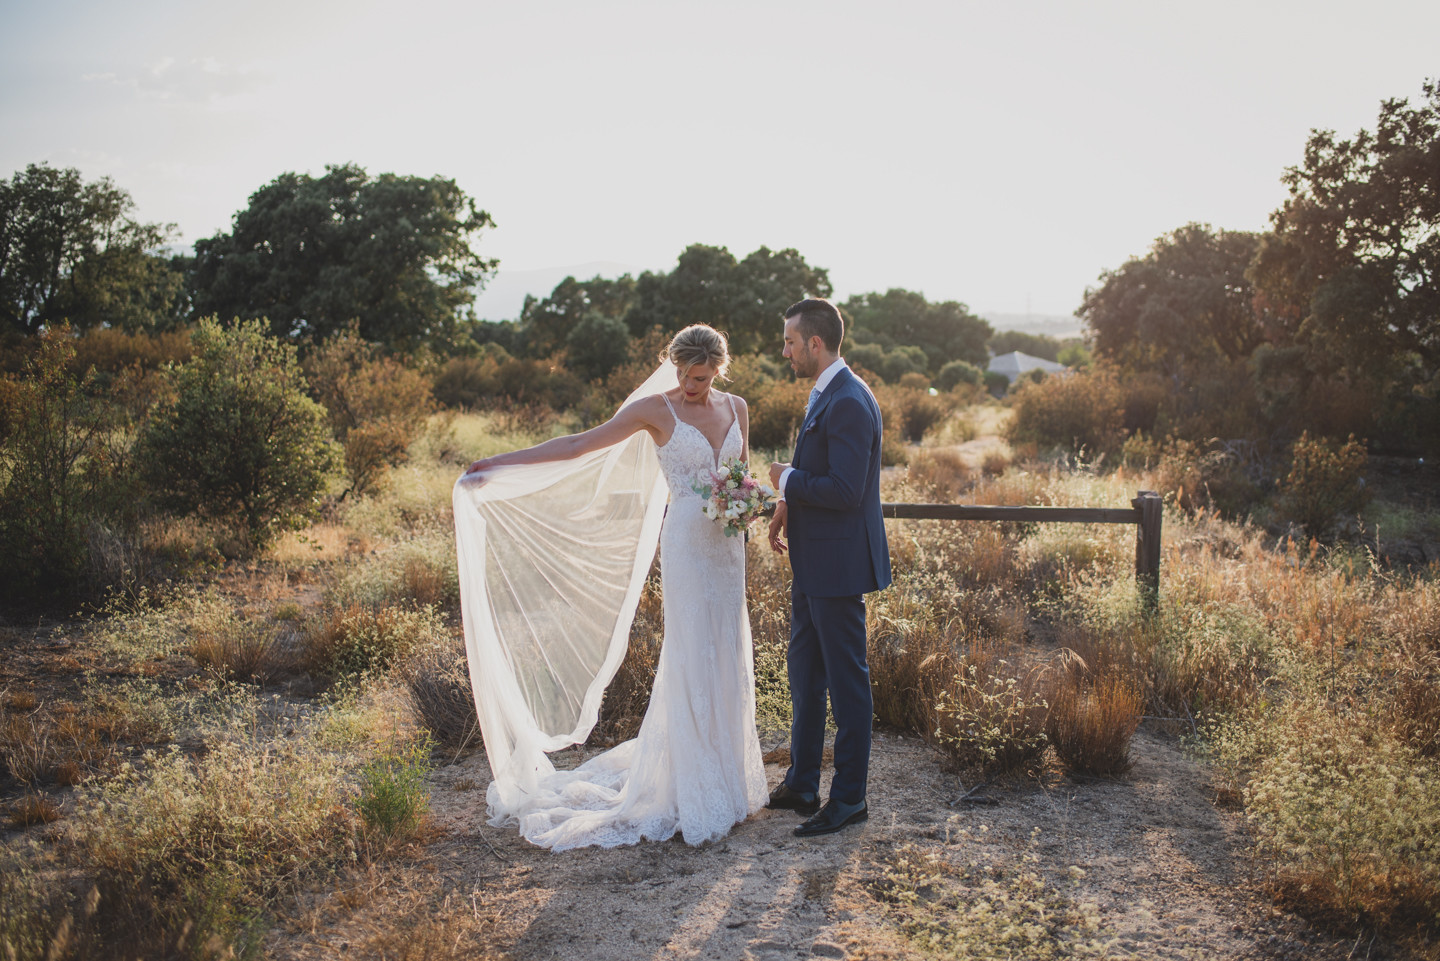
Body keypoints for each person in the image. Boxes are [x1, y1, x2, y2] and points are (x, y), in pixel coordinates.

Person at [456, 324, 768, 850]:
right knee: (693, 652)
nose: (693, 386)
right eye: (686, 376)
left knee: (729, 648)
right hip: (689, 550)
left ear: (719, 369)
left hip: (727, 549)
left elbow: (739, 473)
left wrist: (748, 500)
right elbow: (582, 443)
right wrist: (501, 462)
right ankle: (690, 787)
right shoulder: (655, 410)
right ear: (674, 367)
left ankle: (728, 778)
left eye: (703, 376)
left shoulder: (736, 406)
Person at [766, 298, 891, 837]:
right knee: (805, 676)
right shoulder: (827, 394)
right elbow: (824, 471)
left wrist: (786, 480)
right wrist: (787, 507)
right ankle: (801, 782)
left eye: (790, 342)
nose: (785, 351)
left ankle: (849, 799)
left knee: (847, 684)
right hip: (811, 561)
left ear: (815, 343)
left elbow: (845, 491)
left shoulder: (848, 401)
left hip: (838, 566)